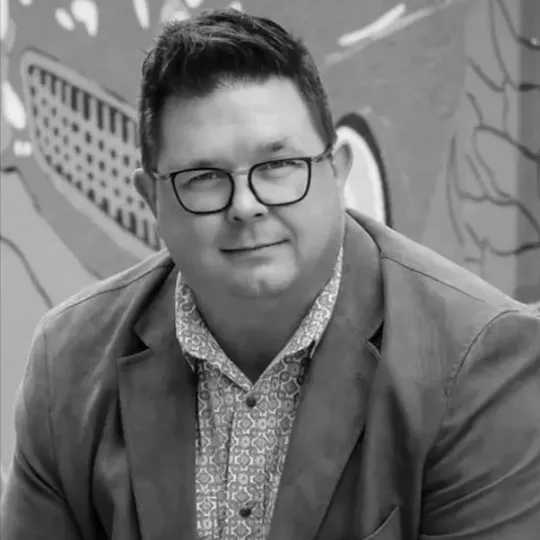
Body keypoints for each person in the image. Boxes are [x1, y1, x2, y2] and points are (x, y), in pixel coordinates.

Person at [1, 8, 539, 540]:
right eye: (204, 177)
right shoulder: (69, 364)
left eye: (278, 166)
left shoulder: (476, 362)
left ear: (337, 171)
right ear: (151, 199)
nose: (245, 205)